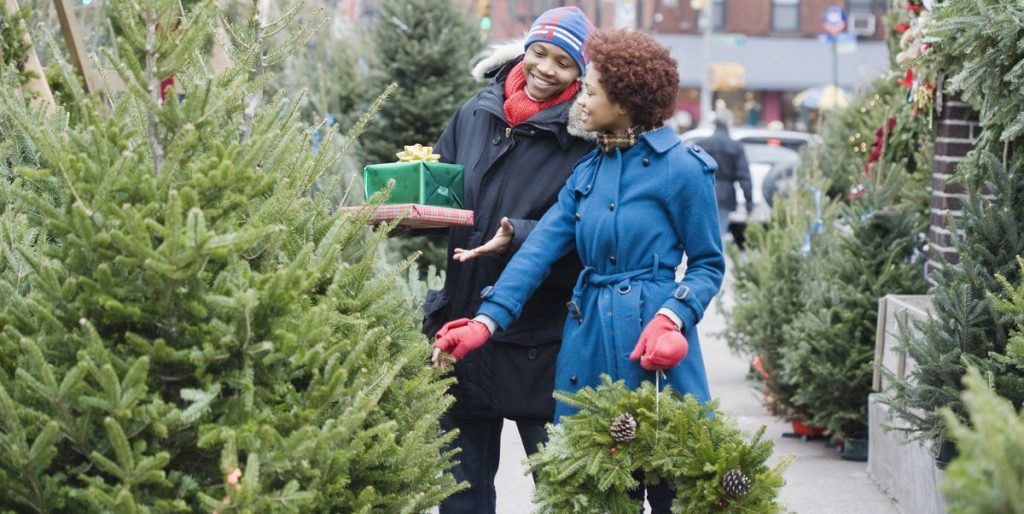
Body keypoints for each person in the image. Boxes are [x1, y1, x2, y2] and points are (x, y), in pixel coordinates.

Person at [432, 29, 725, 513]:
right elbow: (538, 251)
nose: (579, 100)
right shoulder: (588, 171)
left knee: (675, 486)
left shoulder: (683, 169)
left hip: (654, 345)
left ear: (626, 102)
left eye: (589, 91)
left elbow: (709, 265)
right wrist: (486, 322)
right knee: (598, 489)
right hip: (585, 345)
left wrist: (674, 315)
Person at [421, 7, 595, 514]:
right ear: (525, 49)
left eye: (563, 62)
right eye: (539, 53)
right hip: (460, 329)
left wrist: (517, 235)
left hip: (538, 341)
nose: (545, 68)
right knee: (461, 493)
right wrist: (409, 212)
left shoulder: (584, 140)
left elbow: (588, 231)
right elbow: (442, 188)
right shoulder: (476, 112)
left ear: (580, 75)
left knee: (562, 488)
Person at [698, 107, 753, 236]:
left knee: (705, 234)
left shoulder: (702, 144)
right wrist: (748, 201)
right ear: (729, 123)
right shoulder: (736, 146)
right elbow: (744, 176)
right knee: (719, 234)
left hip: (705, 192)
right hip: (726, 196)